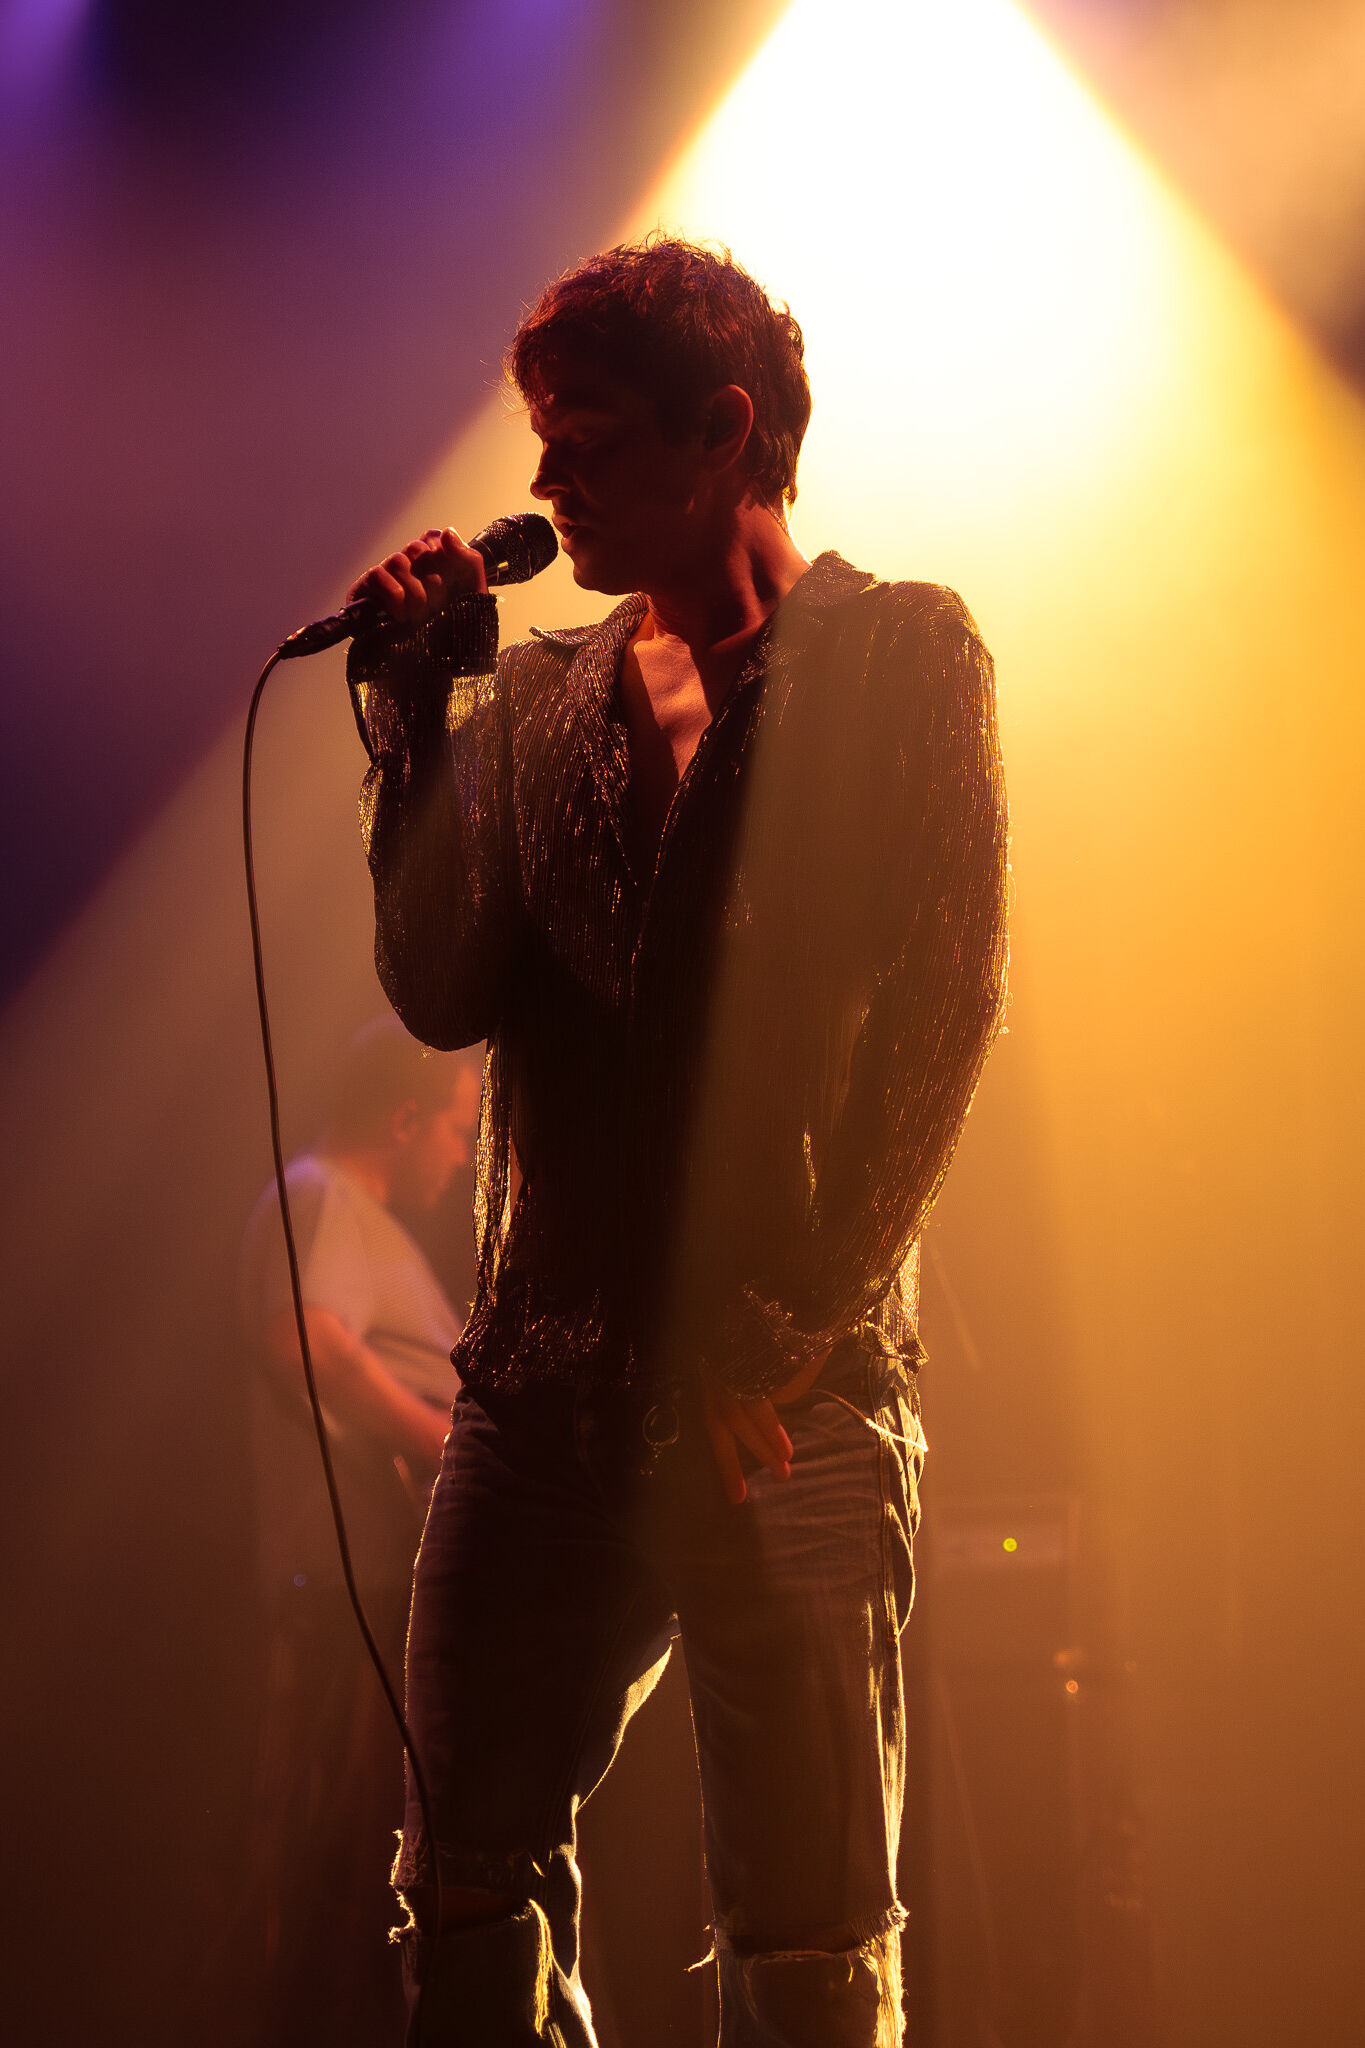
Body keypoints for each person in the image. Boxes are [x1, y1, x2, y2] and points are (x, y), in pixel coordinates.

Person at [344, 235, 1009, 2047]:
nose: (545, 482)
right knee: (463, 1872)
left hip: (782, 1396)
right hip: (541, 1388)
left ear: (724, 432)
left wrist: (780, 1319)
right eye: (541, 443)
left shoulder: (901, 657)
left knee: (804, 1930)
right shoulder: (545, 697)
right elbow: (441, 988)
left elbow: (944, 1010)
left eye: (588, 442)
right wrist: (418, 722)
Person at [238, 1018, 480, 2046]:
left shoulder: (351, 1217)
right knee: (347, 1887)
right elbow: (307, 1340)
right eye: (459, 1130)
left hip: (376, 1602)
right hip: (356, 1607)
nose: (465, 1156)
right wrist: (445, 1444)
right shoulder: (320, 1195)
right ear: (404, 1118)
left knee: (368, 1882)